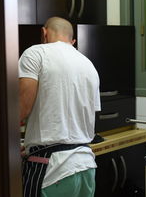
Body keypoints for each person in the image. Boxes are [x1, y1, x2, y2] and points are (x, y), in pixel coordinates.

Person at [18, 17, 101, 197]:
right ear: (73, 41)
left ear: (44, 33)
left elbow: (21, 109)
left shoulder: (35, 53)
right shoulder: (88, 65)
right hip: (85, 165)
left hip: (52, 169)